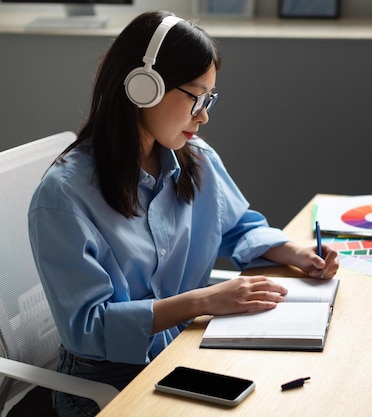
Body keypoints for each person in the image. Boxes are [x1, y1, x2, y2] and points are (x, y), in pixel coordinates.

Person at [27, 10, 338, 417]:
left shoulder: (197, 160)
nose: (204, 115)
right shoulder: (63, 197)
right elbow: (89, 327)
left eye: (210, 98)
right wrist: (203, 301)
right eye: (196, 97)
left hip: (179, 350)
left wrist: (295, 253)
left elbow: (239, 227)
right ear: (143, 87)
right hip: (103, 385)